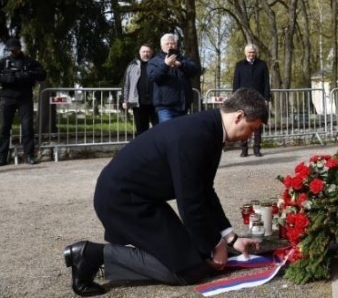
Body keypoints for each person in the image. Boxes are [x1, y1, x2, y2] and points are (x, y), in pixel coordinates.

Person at [62, 88, 269, 296]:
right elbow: (190, 202)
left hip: (141, 199)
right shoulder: (198, 135)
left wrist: (231, 239)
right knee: (189, 271)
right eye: (252, 128)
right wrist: (217, 245)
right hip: (122, 201)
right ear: (239, 116)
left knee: (198, 254)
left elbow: (204, 189)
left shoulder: (210, 129)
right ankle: (91, 255)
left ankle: (132, 253)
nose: (250, 137)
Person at [0, 37, 46, 166]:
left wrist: (27, 75)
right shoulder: (4, 62)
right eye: (11, 50)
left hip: (24, 98)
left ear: (20, 49)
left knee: (27, 128)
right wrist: (6, 78)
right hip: (7, 98)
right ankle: (2, 158)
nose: (13, 52)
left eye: (15, 49)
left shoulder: (29, 62)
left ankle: (29, 156)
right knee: (4, 128)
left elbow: (42, 74)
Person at [147, 33, 201, 123]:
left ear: (176, 45)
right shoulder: (155, 61)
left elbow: (195, 70)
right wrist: (165, 65)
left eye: (172, 43)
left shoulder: (183, 59)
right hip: (165, 107)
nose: (170, 46)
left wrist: (181, 65)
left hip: (182, 106)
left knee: (181, 135)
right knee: (168, 134)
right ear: (162, 46)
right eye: (167, 44)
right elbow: (154, 77)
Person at [232, 44, 271, 157]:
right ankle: (244, 150)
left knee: (257, 124)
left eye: (253, 52)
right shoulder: (239, 65)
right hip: (243, 98)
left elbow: (266, 83)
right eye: (249, 52)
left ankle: (257, 149)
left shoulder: (262, 65)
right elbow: (236, 83)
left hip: (258, 98)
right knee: (244, 124)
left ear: (256, 53)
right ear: (245, 53)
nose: (251, 54)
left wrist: (266, 98)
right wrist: (235, 98)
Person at [121, 44, 156, 135]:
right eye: (143, 51)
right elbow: (126, 84)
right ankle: (142, 148)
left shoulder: (156, 64)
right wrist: (124, 100)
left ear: (151, 53)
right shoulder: (132, 65)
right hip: (138, 103)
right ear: (140, 53)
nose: (146, 54)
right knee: (141, 130)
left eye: (148, 52)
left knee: (158, 128)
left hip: (155, 102)